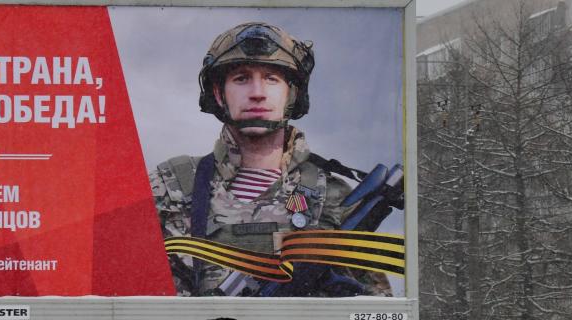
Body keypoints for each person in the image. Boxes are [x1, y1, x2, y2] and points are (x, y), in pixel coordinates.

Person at [151, 22, 403, 298]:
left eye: (271, 78)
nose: (257, 92)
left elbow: (377, 311)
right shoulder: (170, 186)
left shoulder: (335, 198)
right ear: (217, 93)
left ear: (291, 93)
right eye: (241, 78)